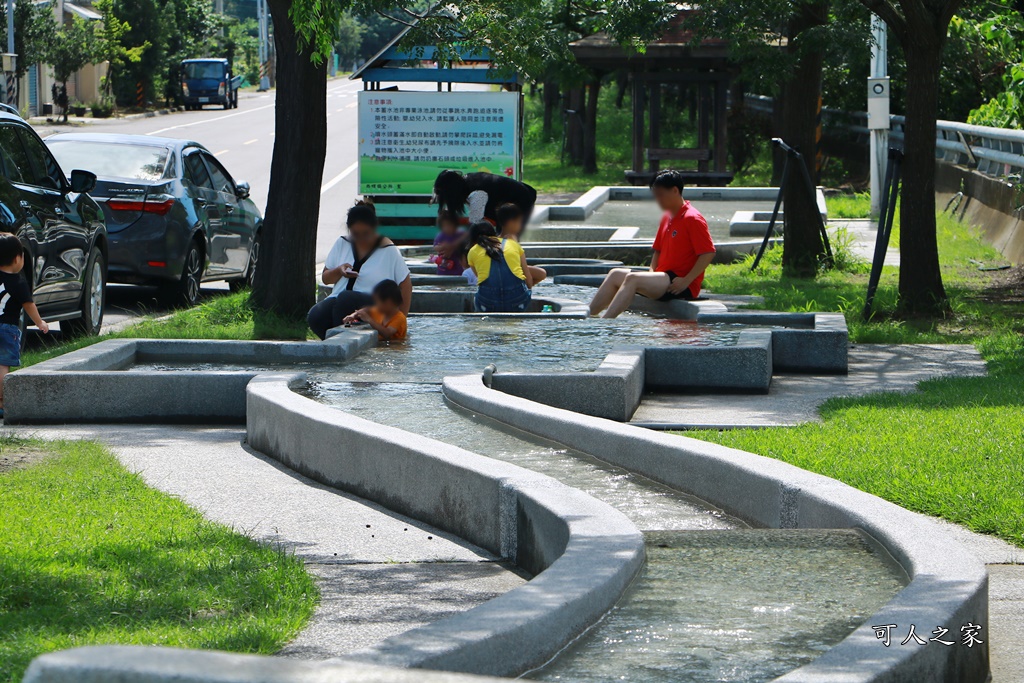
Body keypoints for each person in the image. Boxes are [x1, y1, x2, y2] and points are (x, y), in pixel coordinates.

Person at [589, 170, 716, 319]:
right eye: (655, 196)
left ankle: (606, 323)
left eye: (661, 195)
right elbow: (658, 251)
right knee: (615, 274)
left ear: (675, 190)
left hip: (680, 282)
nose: (657, 200)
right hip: (661, 278)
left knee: (632, 278)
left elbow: (708, 252)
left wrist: (686, 281)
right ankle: (588, 317)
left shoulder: (692, 218)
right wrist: (650, 275)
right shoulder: (667, 217)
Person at [307, 201, 412, 340]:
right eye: (356, 233)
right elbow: (326, 278)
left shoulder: (389, 250)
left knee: (346, 298)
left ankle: (341, 344)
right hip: (339, 300)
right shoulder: (342, 243)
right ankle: (334, 345)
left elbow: (406, 285)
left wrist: (399, 321)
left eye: (366, 233)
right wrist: (339, 271)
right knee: (316, 315)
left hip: (375, 303)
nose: (361, 238)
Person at [0, 233, 48, 417]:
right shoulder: (19, 282)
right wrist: (40, 322)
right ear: (17, 258)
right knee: (3, 365)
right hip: (7, 328)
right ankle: (2, 401)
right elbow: (29, 305)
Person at [466, 221, 533, 313]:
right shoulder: (513, 244)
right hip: (518, 301)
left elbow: (482, 282)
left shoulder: (472, 252)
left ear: (473, 239)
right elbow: (529, 282)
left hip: (487, 303)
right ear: (494, 234)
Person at [432, 170, 537, 227]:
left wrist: (455, 245)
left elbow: (476, 226)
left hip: (522, 200)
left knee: (506, 239)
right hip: (519, 196)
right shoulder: (467, 181)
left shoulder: (476, 193)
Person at [496, 203, 546, 286]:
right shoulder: (512, 243)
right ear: (511, 222)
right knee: (541, 273)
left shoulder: (494, 240)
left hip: (496, 278)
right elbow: (528, 279)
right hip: (510, 277)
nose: (521, 225)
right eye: (520, 221)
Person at [343, 279, 408, 342]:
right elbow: (365, 310)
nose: (375, 304)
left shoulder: (400, 318)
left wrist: (369, 320)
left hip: (395, 349)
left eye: (377, 301)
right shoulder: (380, 311)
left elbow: (387, 333)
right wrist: (352, 316)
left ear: (388, 302)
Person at [429, 210, 466, 276]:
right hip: (444, 267)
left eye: (449, 225)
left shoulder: (459, 234)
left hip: (457, 267)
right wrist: (443, 247)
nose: (447, 228)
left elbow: (464, 241)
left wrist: (452, 246)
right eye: (444, 226)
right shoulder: (441, 236)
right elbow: (435, 247)